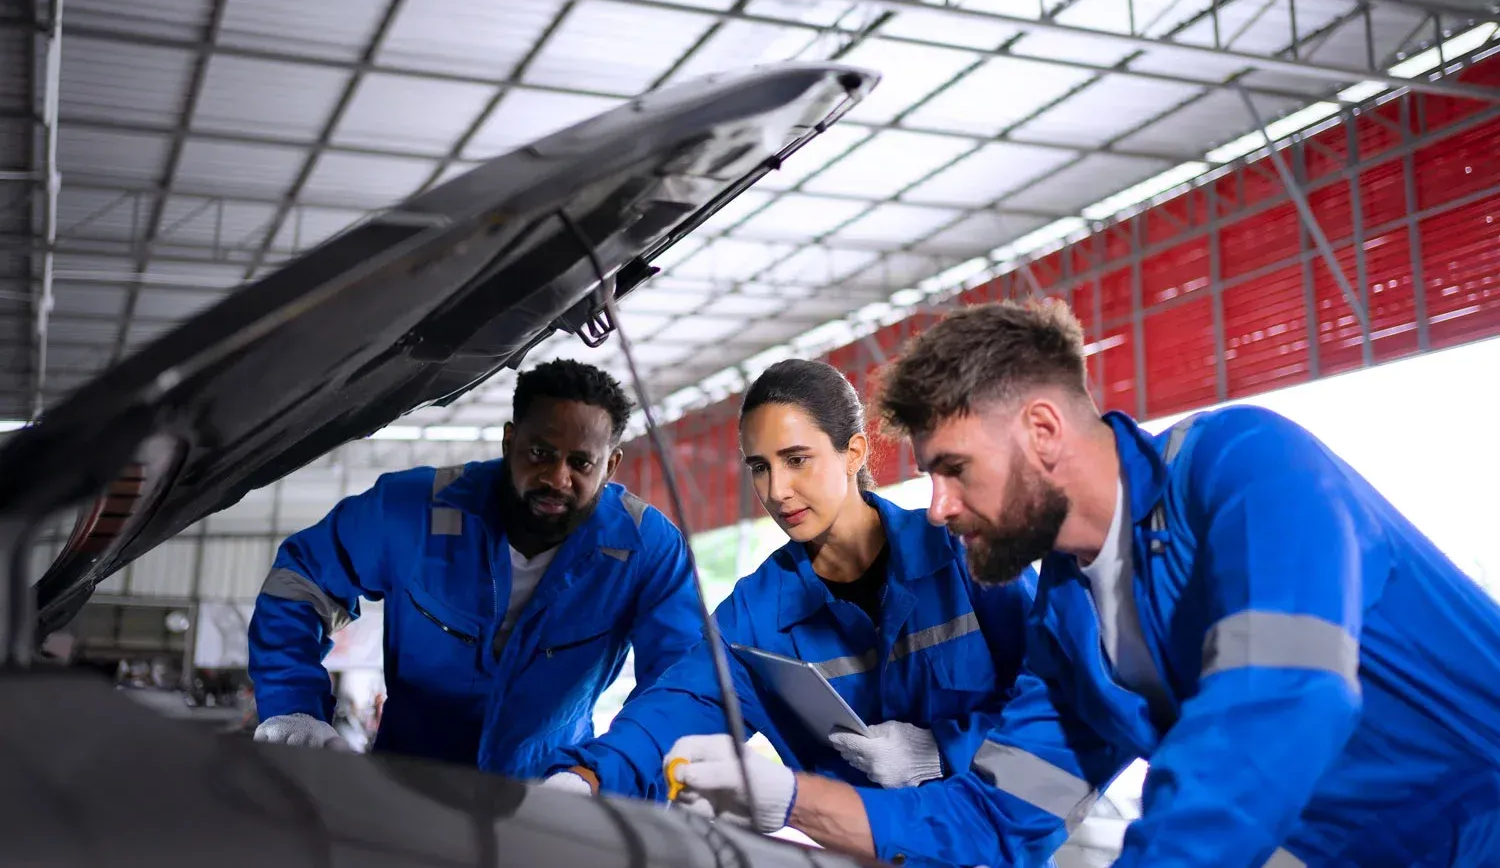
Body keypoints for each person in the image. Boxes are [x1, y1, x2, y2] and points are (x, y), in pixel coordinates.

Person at [665, 298, 1500, 868]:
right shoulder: (1069, 632)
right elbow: (998, 817)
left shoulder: (1246, 469)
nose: (941, 508)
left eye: (955, 471)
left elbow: (1282, 698)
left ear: (1041, 429)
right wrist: (784, 798)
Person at [540, 359, 1041, 859]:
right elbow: (675, 707)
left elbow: (1058, 707)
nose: (776, 490)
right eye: (760, 466)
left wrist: (941, 751)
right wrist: (586, 778)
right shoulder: (757, 616)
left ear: (853, 453)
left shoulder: (965, 556)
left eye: (796, 459)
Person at [247, 358, 705, 776]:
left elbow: (680, 682)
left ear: (611, 467)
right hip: (404, 787)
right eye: (540, 453)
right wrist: (295, 708)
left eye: (581, 463)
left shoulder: (648, 550)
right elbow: (301, 581)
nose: (556, 478)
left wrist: (601, 775)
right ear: (510, 440)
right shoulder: (411, 512)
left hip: (550, 798)